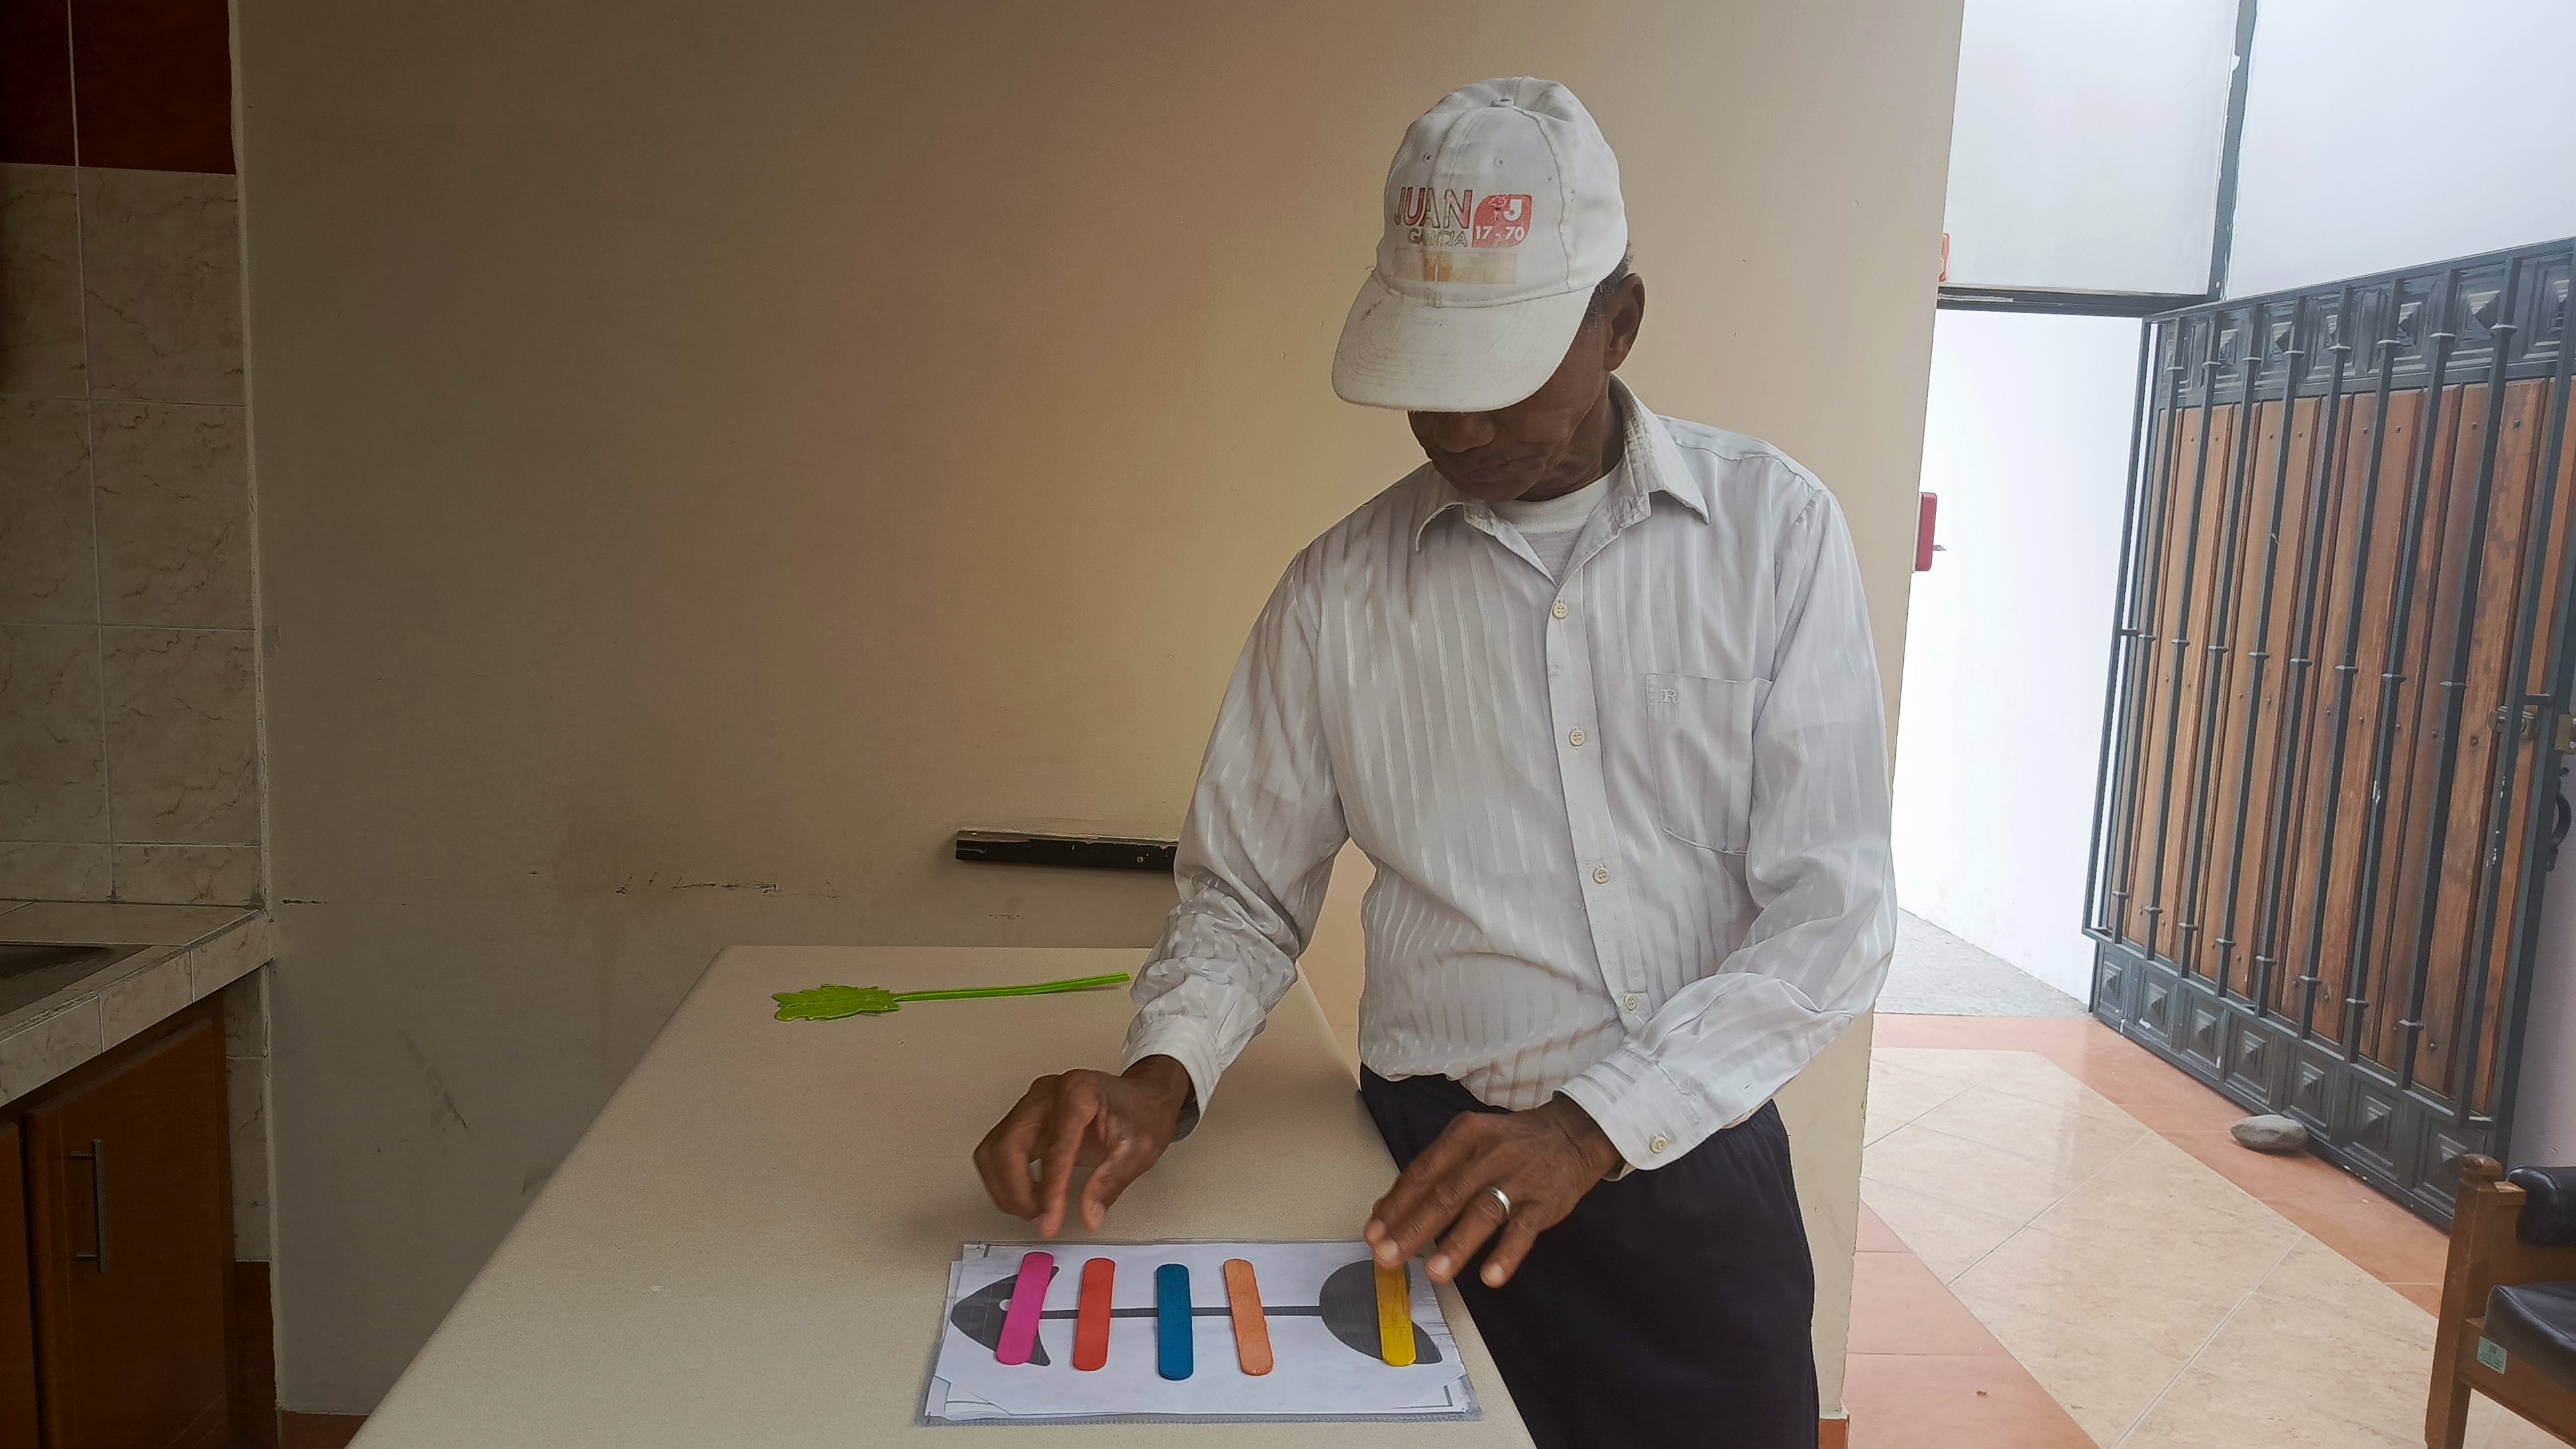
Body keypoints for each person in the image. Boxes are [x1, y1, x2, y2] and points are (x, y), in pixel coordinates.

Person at [972, 76, 1894, 1448]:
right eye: (1424, 379)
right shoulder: (1337, 595)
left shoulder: (1775, 538)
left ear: (1619, 323)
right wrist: (1159, 1079)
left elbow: (1834, 913)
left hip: (1691, 1171)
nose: (1455, 428)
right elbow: (1242, 901)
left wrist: (1589, 1130)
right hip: (1423, 1178)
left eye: (1496, 376)